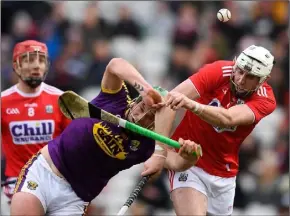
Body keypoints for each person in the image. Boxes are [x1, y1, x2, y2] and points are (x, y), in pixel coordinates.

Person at [10, 58, 202, 215]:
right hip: (46, 172)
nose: (143, 116)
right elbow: (115, 65)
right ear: (137, 101)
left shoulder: (149, 146)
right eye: (143, 107)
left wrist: (190, 156)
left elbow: (176, 163)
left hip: (74, 199)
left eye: (151, 117)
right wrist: (146, 89)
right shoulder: (115, 99)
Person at [152, 45, 277, 215]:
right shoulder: (218, 70)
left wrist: (192, 104)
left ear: (263, 79)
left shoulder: (266, 100)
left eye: (250, 77)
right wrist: (159, 152)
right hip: (189, 162)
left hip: (224, 173)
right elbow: (169, 102)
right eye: (239, 71)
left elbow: (228, 119)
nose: (240, 80)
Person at [1, 40, 70, 215]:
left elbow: (73, 145)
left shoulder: (61, 99)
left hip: (55, 183)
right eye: (29, 60)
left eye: (40, 60)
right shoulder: (3, 102)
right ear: (16, 65)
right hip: (17, 182)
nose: (36, 66)